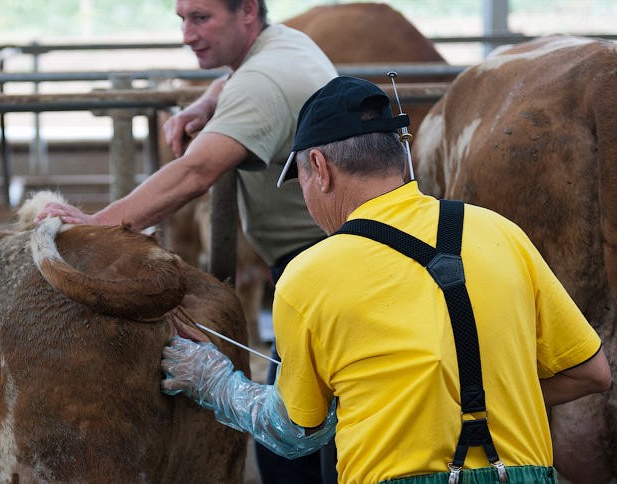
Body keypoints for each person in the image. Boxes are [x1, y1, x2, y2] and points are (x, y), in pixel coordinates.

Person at [159, 76, 612, 483]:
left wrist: (212, 379)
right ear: (399, 158)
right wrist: (478, 398)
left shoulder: (309, 276)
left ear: (319, 166)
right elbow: (590, 372)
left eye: (300, 180)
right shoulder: (500, 231)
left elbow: (295, 432)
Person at [36, 1, 337, 481]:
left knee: (296, 444)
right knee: (300, 436)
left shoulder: (263, 81)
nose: (186, 33)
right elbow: (236, 83)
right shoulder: (282, 47)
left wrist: (99, 225)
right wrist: (207, 102)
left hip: (323, 269)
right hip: (324, 258)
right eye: (182, 18)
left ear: (247, 13)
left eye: (201, 18)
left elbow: (196, 172)